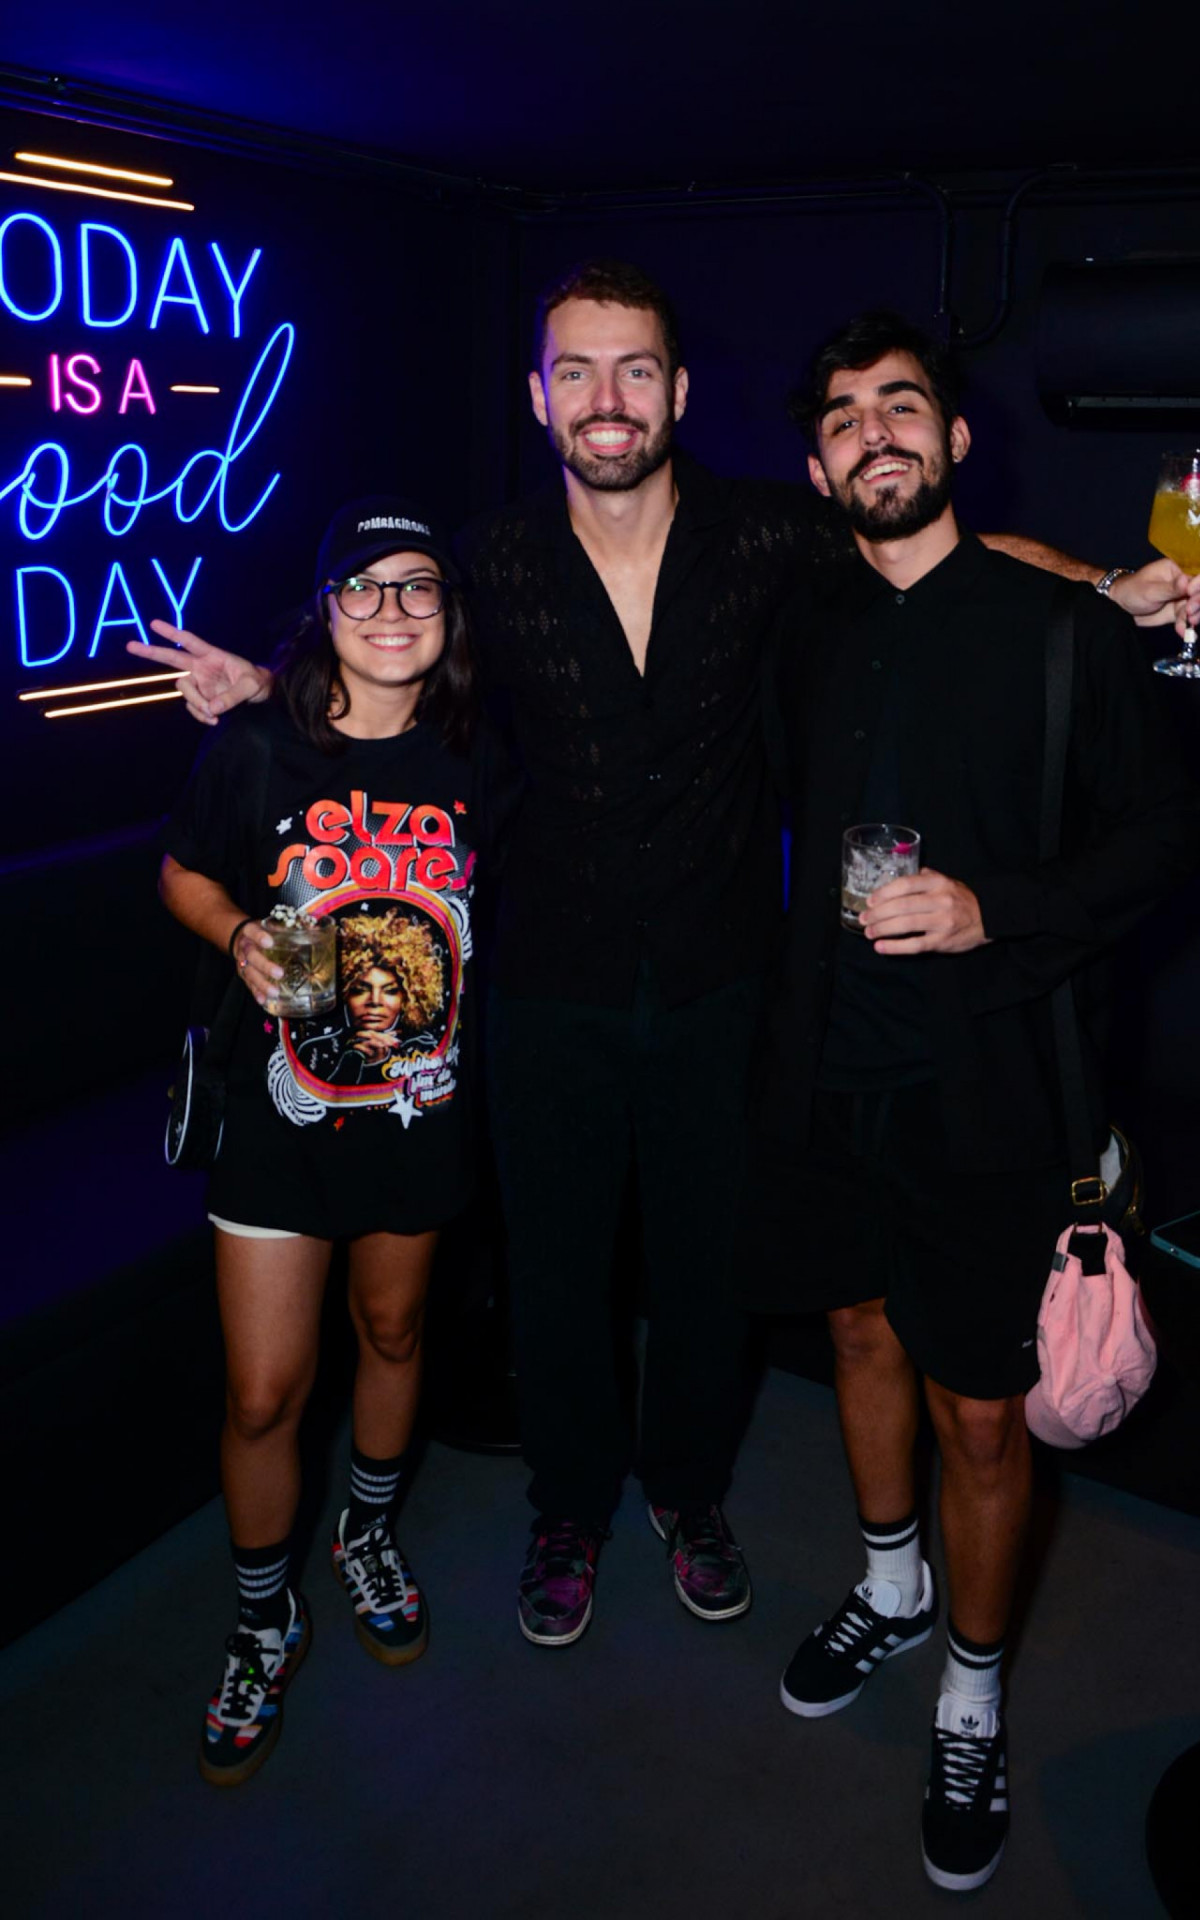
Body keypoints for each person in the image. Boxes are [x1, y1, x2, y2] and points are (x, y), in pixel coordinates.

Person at [130, 262, 1199, 1654]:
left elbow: (946, 553)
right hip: (545, 990)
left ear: (678, 391)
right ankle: (569, 1509)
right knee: (558, 1273)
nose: (607, 397)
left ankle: (689, 1496)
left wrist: (1107, 584)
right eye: (575, 370)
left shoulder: (768, 536)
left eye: (634, 368)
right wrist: (271, 693)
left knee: (707, 1272)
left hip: (725, 985)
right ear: (538, 398)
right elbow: (387, 655)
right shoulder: (491, 562)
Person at [744, 311, 1200, 1891]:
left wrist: (992, 908)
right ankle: (894, 1585)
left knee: (982, 1414)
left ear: (954, 439)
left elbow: (1162, 840)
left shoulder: (1064, 631)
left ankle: (974, 1692)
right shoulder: (804, 626)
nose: (874, 431)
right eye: (844, 415)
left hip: (996, 1084)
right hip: (828, 1070)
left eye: (903, 406)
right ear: (820, 468)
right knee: (858, 1333)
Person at [160, 496, 478, 1784]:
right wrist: (238, 930)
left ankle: (367, 1537)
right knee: (262, 1394)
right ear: (326, 610)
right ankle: (261, 1620)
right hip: (277, 1113)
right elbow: (182, 873)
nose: (392, 610)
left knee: (394, 1335)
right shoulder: (255, 748)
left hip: (417, 1107)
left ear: (448, 616)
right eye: (365, 587)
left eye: (419, 586)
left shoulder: (478, 758)